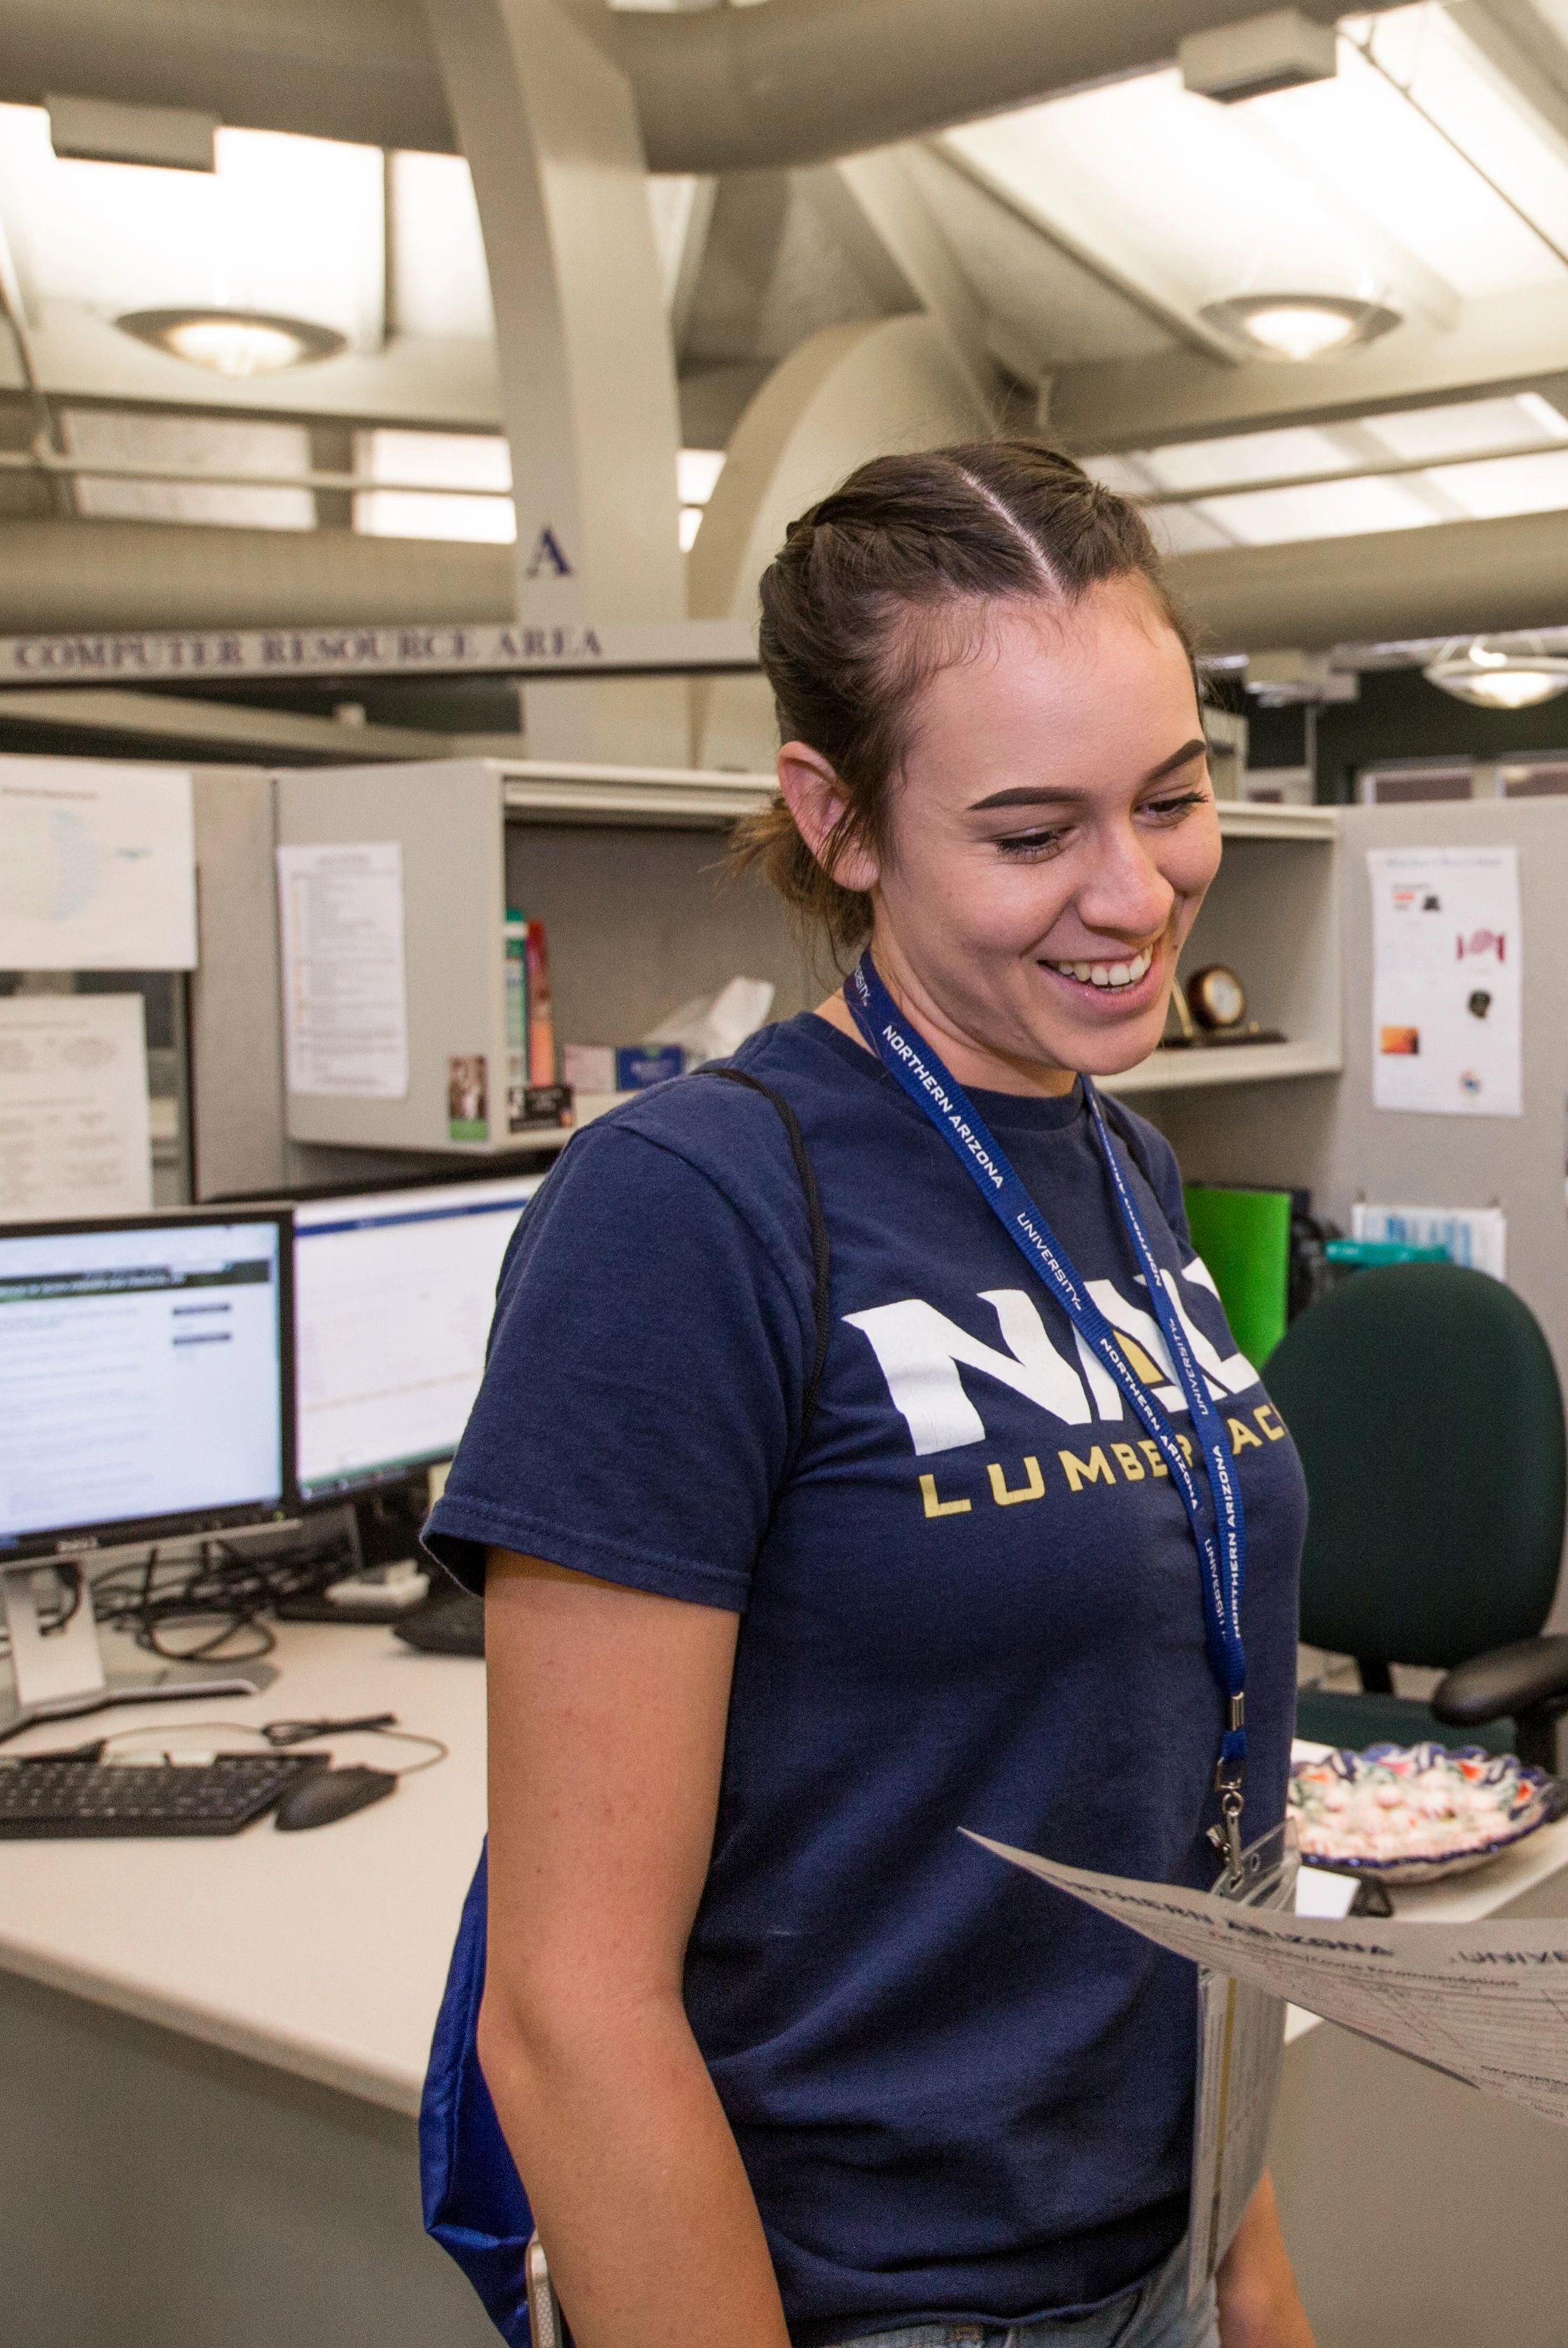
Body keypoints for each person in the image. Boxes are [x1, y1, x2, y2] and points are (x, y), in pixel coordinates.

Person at [426, 444, 1317, 2348]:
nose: (1132, 890)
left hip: (1144, 2247)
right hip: (863, 2298)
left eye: (1169, 799)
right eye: (1027, 832)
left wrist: (1239, 2257)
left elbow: (1172, 1775)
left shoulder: (1114, 1161)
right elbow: (567, 2009)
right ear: (834, 821)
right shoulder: (688, 1210)